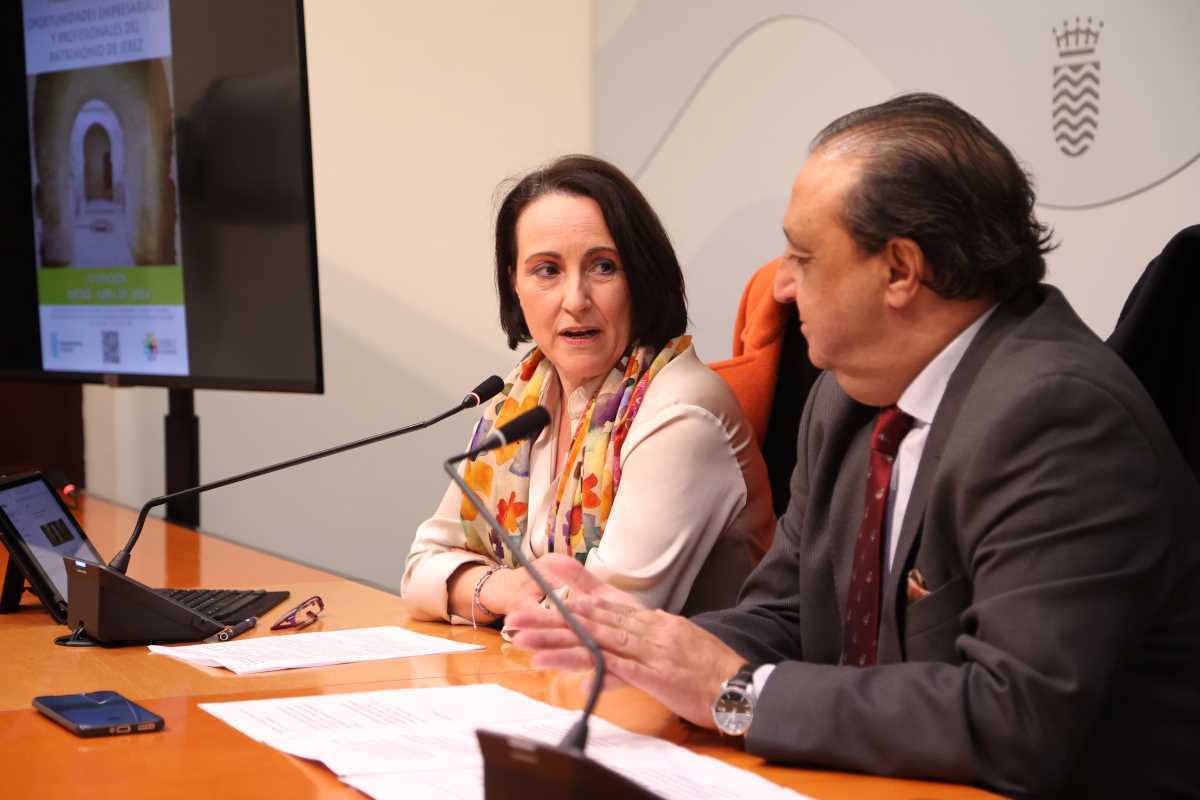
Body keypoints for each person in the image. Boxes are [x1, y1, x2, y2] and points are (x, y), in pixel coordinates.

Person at [508, 95, 1200, 798]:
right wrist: (636, 640)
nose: (779, 284)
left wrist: (735, 690)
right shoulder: (847, 397)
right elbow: (786, 617)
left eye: (802, 257)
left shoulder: (1057, 414)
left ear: (900, 270)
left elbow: (1011, 719)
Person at [402, 155, 774, 628]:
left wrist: (475, 593)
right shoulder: (519, 401)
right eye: (547, 270)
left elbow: (596, 621)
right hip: (540, 682)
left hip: (673, 698)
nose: (575, 300)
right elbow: (418, 575)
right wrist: (501, 589)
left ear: (641, 276)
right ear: (514, 282)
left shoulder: (682, 411)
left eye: (603, 267)